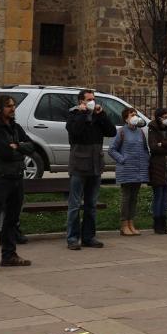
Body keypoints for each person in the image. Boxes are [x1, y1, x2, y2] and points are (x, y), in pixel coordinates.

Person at [0, 95, 35, 273]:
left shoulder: (15, 128)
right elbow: (4, 153)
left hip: (17, 177)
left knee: (12, 219)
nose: (12, 109)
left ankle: (9, 255)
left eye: (13, 106)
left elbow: (31, 147)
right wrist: (18, 149)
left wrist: (17, 146)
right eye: (8, 106)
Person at [64, 88, 116, 250]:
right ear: (81, 102)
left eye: (93, 98)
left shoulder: (97, 116)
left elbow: (111, 131)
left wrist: (101, 115)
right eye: (89, 99)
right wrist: (82, 114)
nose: (92, 101)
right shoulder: (73, 115)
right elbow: (75, 132)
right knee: (74, 205)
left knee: (91, 205)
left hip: (95, 166)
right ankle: (72, 238)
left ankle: (89, 236)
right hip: (79, 166)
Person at [109, 107, 151, 237]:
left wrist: (146, 163)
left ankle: (131, 223)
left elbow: (145, 150)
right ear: (126, 118)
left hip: (138, 170)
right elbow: (112, 150)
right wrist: (122, 159)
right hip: (126, 170)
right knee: (126, 198)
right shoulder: (121, 131)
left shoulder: (140, 132)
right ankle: (124, 224)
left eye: (136, 114)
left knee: (134, 198)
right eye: (132, 114)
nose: (134, 116)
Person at [146, 107, 167, 235]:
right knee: (158, 196)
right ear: (159, 118)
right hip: (158, 167)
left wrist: (163, 144)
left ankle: (164, 223)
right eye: (165, 117)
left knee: (165, 197)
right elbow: (154, 147)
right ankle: (157, 223)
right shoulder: (152, 129)